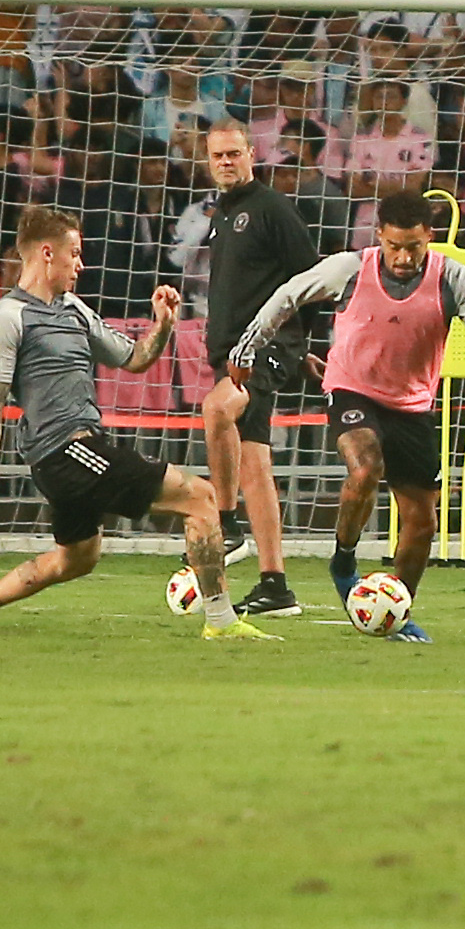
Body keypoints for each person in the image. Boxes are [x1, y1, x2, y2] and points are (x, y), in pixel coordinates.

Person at [222, 182, 465, 640]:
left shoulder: (451, 277)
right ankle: (344, 560)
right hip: (353, 389)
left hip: (411, 405)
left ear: (429, 236)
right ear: (380, 236)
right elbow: (288, 294)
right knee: (366, 466)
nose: (404, 257)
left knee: (423, 522)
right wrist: (247, 346)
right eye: (394, 246)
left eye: (412, 247)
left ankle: (396, 610)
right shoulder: (352, 268)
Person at [0, 205, 258, 636]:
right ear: (47, 253)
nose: (81, 264)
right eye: (76, 253)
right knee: (200, 498)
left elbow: (135, 359)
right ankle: (221, 621)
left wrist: (163, 325)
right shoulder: (8, 317)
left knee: (77, 558)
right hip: (65, 451)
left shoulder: (74, 309)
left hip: (75, 453)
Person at [185, 111, 322, 617]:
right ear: (208, 161)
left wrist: (303, 342)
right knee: (256, 464)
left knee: (217, 410)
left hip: (262, 346)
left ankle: (226, 525)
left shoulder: (272, 209)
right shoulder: (222, 212)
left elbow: (311, 279)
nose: (225, 161)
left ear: (251, 155)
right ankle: (275, 584)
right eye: (217, 155)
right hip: (235, 351)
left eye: (234, 153)